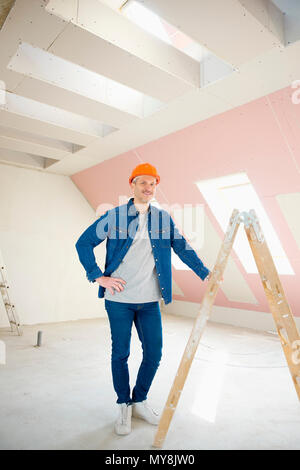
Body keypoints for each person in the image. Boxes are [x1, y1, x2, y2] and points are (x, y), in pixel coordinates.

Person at [75, 163, 211, 435]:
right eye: (142, 183)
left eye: (152, 184)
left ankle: (139, 399)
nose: (148, 188)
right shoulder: (114, 216)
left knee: (154, 353)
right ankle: (123, 405)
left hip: (149, 301)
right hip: (119, 300)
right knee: (121, 354)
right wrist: (97, 276)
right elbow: (83, 242)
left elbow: (182, 247)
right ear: (132, 185)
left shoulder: (162, 218)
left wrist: (205, 273)